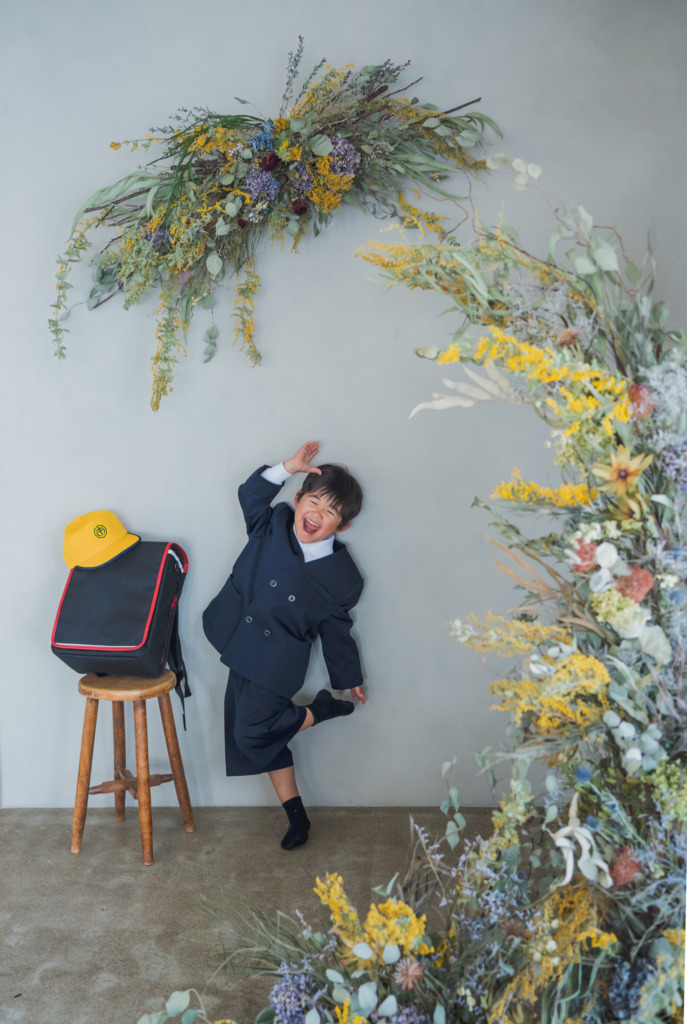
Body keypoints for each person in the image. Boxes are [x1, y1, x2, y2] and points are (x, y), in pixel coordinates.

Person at [203, 440, 365, 850]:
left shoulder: (344, 577)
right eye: (314, 502)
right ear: (297, 500)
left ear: (342, 526)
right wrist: (288, 467)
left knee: (250, 732)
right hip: (235, 637)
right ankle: (297, 818)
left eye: (331, 513)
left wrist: (348, 676)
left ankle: (318, 711)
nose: (317, 515)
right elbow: (249, 494)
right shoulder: (272, 522)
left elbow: (337, 630)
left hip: (277, 661)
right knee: (259, 736)